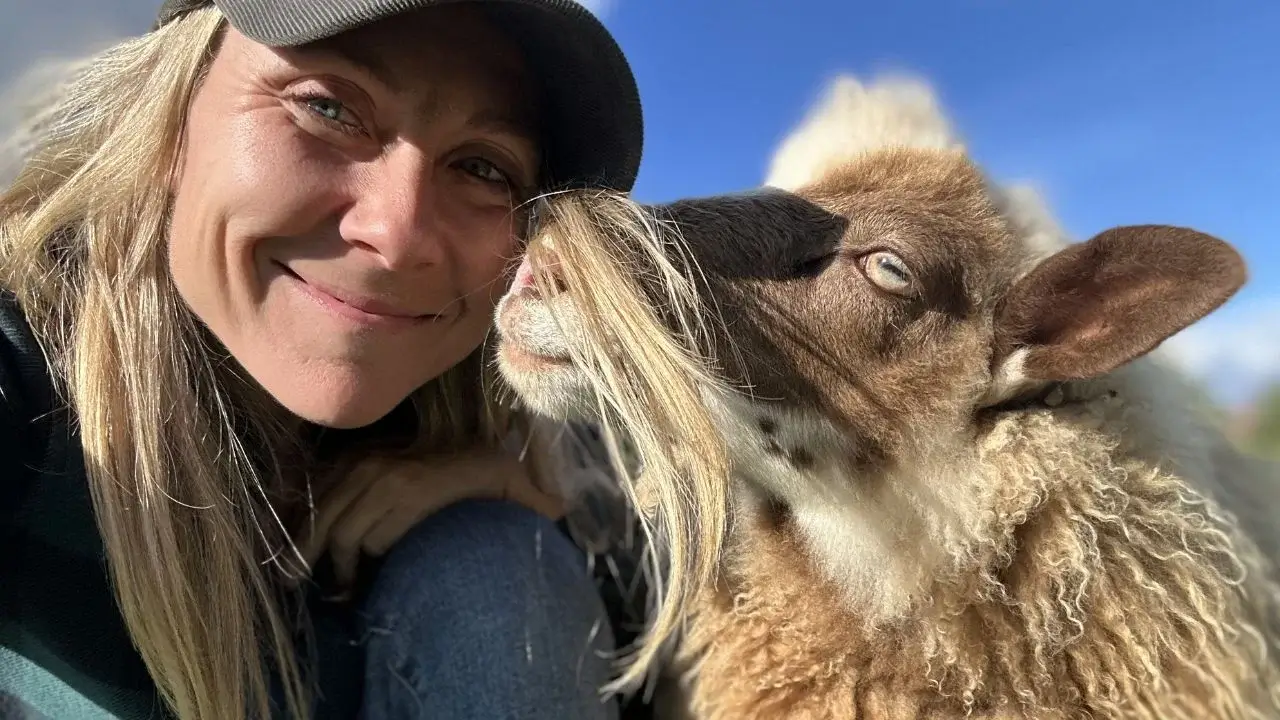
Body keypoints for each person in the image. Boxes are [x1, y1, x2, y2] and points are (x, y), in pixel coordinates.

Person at [0, 1, 647, 718]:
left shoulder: (508, 429)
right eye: (329, 108)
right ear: (168, 119)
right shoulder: (27, 379)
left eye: (481, 168)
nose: (398, 235)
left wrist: (529, 489)